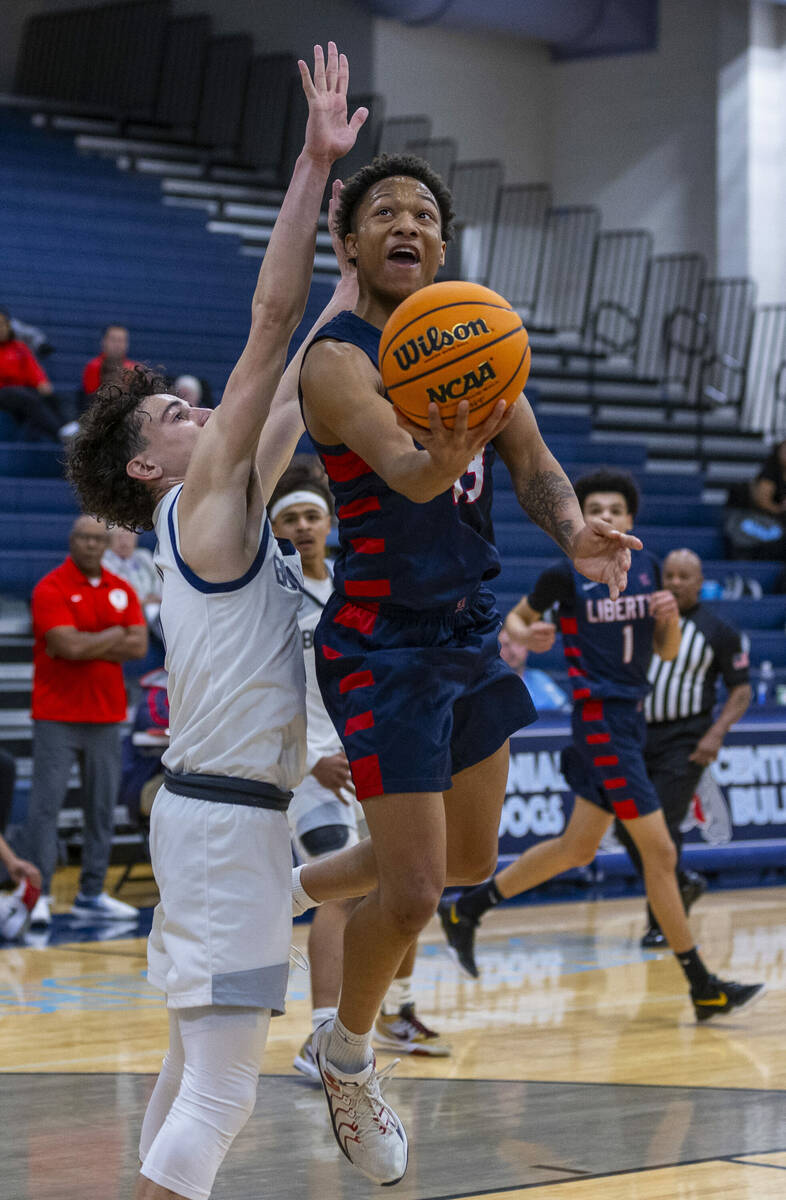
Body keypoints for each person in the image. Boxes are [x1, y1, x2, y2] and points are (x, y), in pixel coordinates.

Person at [290, 151, 638, 1181]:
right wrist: (448, 444)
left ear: (445, 243)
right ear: (348, 242)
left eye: (427, 214)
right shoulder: (339, 360)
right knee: (411, 897)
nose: (409, 225)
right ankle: (346, 1060)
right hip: (380, 642)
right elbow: (407, 472)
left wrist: (573, 529)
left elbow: (532, 466)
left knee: (470, 866)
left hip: (467, 632)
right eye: (385, 212)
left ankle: (280, 885)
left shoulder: (477, 335)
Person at [65, 43, 369, 1200]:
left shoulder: (226, 498)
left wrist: (355, 285)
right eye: (170, 411)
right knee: (222, 1092)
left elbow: (298, 380)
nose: (194, 404)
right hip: (225, 821)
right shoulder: (201, 510)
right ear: (149, 462)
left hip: (225, 816)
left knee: (189, 1066)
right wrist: (310, 164)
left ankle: (413, 876)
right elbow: (268, 326)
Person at [439, 469, 765, 1022]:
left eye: (617, 507)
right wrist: (526, 636)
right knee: (661, 854)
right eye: (597, 507)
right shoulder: (565, 574)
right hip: (600, 721)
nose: (608, 515)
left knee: (577, 849)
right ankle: (702, 985)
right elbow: (515, 620)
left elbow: (664, 653)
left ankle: (468, 908)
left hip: (630, 720)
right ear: (582, 516)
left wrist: (668, 623)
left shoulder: (650, 571)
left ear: (632, 519)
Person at [269, 462, 449, 1080]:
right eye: (287, 518)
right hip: (306, 764)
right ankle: (321, 1034)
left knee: (401, 881)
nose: (301, 526)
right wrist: (303, 760)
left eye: (310, 515)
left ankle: (388, 1011)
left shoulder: (351, 587)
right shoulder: (273, 594)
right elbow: (265, 693)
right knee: (341, 890)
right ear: (275, 528)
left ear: (330, 521)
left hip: (363, 752)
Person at [615, 547, 752, 947]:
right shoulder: (644, 622)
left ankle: (660, 921)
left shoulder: (719, 631)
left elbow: (741, 691)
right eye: (669, 575)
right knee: (627, 824)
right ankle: (680, 883)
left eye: (683, 576)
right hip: (640, 736)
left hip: (686, 740)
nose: (674, 582)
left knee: (662, 826)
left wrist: (716, 734)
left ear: (700, 581)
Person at [19, 515, 147, 927]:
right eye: (85, 538)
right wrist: (112, 636)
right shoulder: (50, 588)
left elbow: (139, 645)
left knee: (101, 809)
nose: (92, 545)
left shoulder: (122, 589)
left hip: (106, 715)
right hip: (57, 715)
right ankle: (36, 895)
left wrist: (88, 642)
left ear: (107, 544)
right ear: (72, 541)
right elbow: (65, 645)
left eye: (99, 539)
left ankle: (91, 893)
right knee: (45, 807)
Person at [0, 308, 70, 440]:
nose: (1, 328)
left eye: (3, 324)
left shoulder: (19, 347)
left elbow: (33, 369)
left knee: (49, 394)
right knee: (25, 396)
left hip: (22, 392)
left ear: (9, 325)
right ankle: (59, 433)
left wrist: (41, 383)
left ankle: (69, 426)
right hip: (4, 392)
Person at [103, 527, 162, 634]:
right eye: (119, 537)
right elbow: (114, 593)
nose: (124, 542)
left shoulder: (144, 555)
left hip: (155, 603)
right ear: (110, 540)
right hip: (129, 609)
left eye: (128, 537)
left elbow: (158, 580)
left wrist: (157, 597)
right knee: (151, 610)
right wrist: (143, 602)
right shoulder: (105, 562)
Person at [81, 324, 135, 396]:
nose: (117, 344)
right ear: (104, 342)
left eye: (121, 340)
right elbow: (90, 395)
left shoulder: (133, 368)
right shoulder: (93, 366)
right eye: (113, 340)